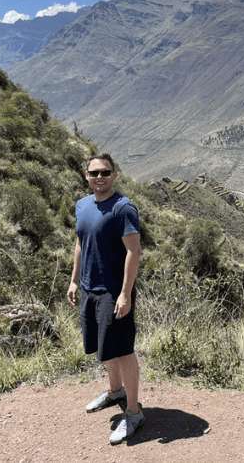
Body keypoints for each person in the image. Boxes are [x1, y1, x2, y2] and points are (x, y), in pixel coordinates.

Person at [67, 153, 144, 445]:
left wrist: (125, 293)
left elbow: (134, 252)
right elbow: (80, 242)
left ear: (115, 175)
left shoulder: (123, 209)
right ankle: (115, 392)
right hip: (89, 288)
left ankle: (134, 413)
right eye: (94, 173)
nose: (100, 178)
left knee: (123, 349)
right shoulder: (82, 205)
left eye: (105, 172)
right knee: (105, 347)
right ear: (86, 176)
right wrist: (74, 279)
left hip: (113, 292)